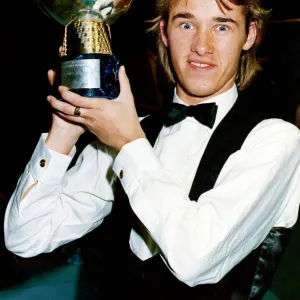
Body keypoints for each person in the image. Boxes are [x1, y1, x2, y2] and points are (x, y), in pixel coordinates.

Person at [4, 0, 300, 299]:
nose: (202, 45)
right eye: (186, 24)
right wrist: (63, 133)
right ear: (164, 33)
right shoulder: (124, 134)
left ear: (248, 36)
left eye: (221, 27)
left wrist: (128, 143)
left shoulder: (276, 140)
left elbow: (196, 260)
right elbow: (25, 238)